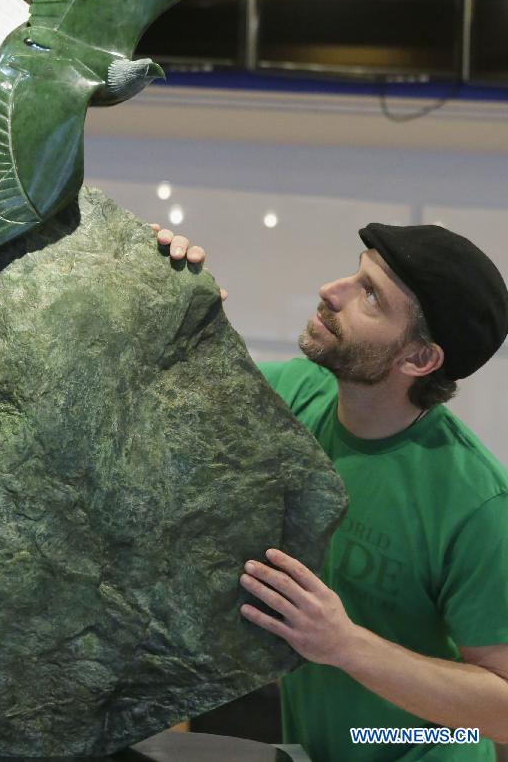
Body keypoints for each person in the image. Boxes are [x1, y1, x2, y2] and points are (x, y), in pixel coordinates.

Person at [152, 221, 508, 761]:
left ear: (418, 359)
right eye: (355, 272)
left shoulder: (477, 504)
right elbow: (161, 400)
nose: (331, 290)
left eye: (369, 295)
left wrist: (345, 646)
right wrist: (159, 293)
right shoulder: (293, 396)